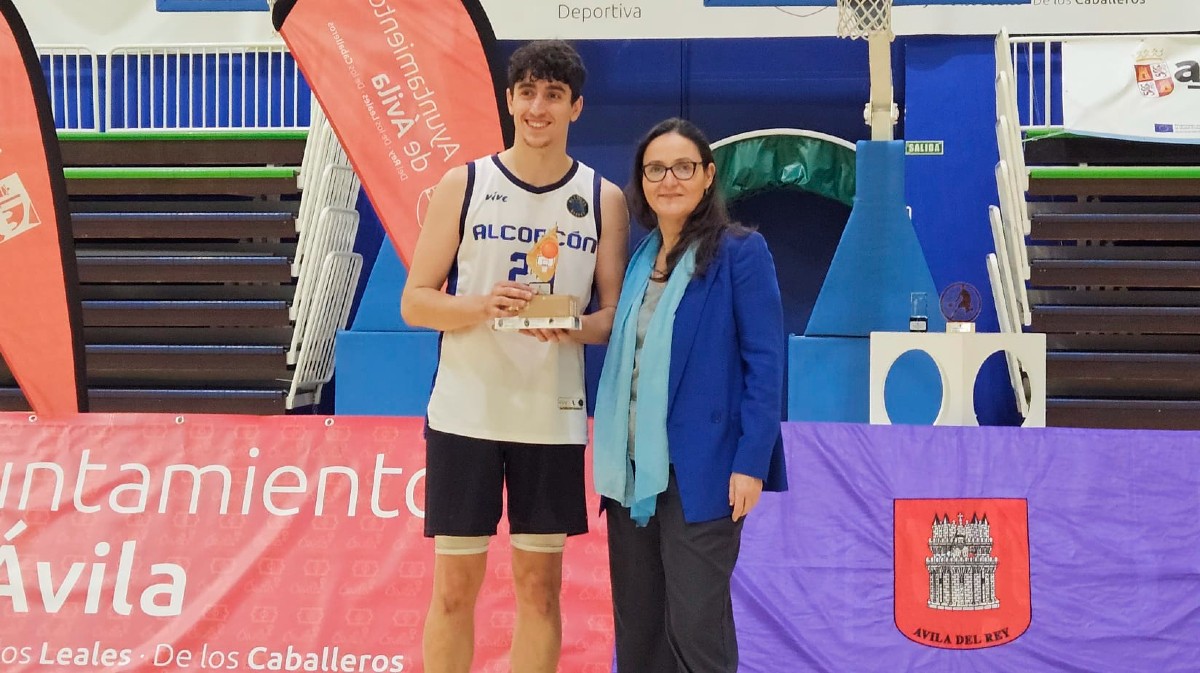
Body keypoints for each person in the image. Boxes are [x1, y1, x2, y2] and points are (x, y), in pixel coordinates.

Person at [400, 41, 628, 673]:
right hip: (465, 415)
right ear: (508, 100)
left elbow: (613, 318)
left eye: (553, 95)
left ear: (576, 107)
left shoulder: (602, 197)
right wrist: (482, 306)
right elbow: (415, 302)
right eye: (527, 92)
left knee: (539, 591)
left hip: (549, 419)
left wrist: (573, 328)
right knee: (454, 591)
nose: (538, 107)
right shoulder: (466, 183)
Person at [594, 117, 788, 673]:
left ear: (707, 176)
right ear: (641, 181)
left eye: (683, 167)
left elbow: (765, 364)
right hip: (632, 475)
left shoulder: (740, 252)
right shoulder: (639, 259)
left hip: (705, 472)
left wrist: (751, 463)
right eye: (655, 169)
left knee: (695, 627)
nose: (669, 180)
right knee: (639, 629)